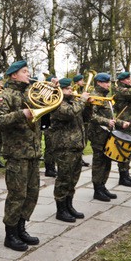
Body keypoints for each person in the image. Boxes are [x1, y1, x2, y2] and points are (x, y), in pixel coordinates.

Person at [0, 60, 43, 252]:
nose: (28, 74)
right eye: (25, 71)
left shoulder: (30, 93)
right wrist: (21, 114)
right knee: (17, 195)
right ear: (14, 75)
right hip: (17, 153)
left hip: (33, 152)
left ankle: (21, 228)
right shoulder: (6, 95)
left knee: (32, 193)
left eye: (28, 71)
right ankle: (10, 234)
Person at [51, 78, 89, 222]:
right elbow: (69, 113)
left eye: (71, 89)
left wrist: (89, 106)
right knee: (64, 179)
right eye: (68, 89)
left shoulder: (74, 102)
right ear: (61, 90)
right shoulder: (56, 102)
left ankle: (69, 205)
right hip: (64, 146)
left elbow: (86, 118)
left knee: (73, 178)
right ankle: (61, 210)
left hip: (76, 145)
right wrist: (83, 101)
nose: (71, 91)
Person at [88, 73, 130, 202]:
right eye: (106, 82)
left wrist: (120, 123)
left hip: (107, 134)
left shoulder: (105, 97)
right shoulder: (94, 96)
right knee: (99, 162)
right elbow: (91, 116)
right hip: (97, 135)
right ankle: (97, 189)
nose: (108, 85)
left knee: (107, 161)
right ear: (99, 83)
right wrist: (106, 122)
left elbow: (111, 117)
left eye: (109, 82)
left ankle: (102, 186)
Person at [72, 73, 91, 167]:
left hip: (84, 117)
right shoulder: (74, 90)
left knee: (84, 139)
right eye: (81, 80)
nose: (83, 82)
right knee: (79, 140)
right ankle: (78, 159)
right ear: (76, 82)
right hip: (78, 117)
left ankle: (81, 158)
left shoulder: (83, 90)